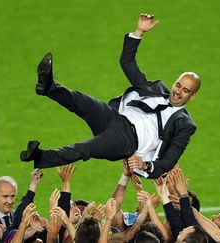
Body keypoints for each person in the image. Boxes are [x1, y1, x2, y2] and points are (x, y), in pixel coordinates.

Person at [20, 13, 201, 179]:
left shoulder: (185, 125)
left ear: (192, 96)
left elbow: (169, 160)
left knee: (85, 148)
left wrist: (145, 165)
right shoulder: (156, 88)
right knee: (81, 101)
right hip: (115, 117)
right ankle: (48, 87)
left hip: (127, 141)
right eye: (178, 84)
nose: (178, 91)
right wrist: (139, 32)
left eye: (185, 90)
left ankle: (40, 156)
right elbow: (127, 63)